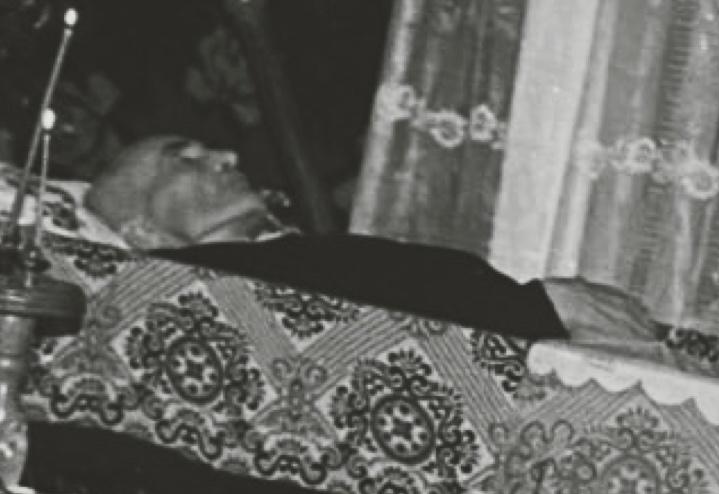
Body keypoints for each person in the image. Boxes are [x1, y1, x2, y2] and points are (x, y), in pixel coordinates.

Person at [84, 135, 660, 347]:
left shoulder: (283, 257)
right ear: (141, 232)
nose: (225, 156)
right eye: (181, 159)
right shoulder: (208, 284)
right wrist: (536, 305)